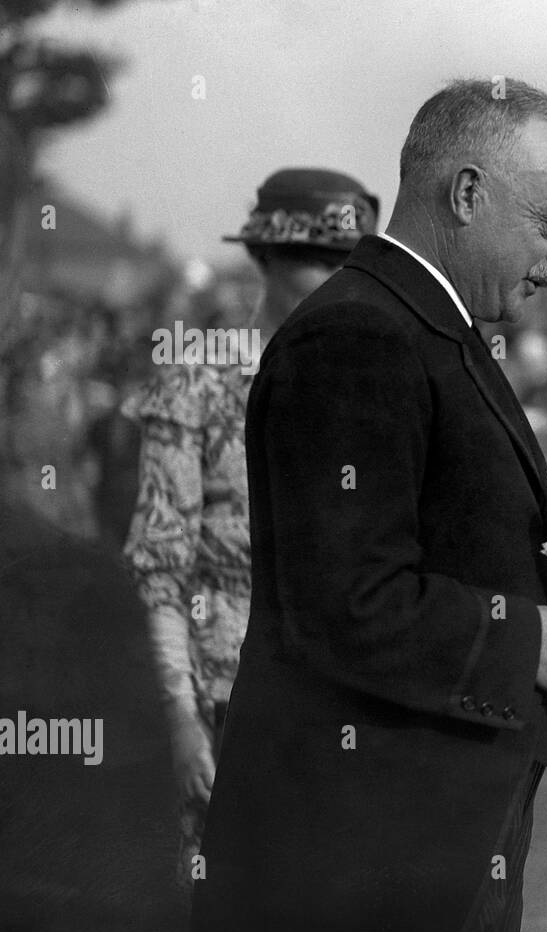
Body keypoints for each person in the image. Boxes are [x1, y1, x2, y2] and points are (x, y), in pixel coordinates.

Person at [190, 78, 547, 932]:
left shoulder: (423, 325)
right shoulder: (359, 335)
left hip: (417, 852)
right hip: (357, 872)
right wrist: (530, 638)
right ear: (467, 195)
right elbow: (342, 598)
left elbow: (426, 539)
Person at [121, 168, 379, 890]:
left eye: (349, 262)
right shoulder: (198, 381)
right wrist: (176, 712)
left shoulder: (371, 384)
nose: (335, 278)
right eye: (318, 260)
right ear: (264, 258)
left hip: (344, 702)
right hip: (225, 698)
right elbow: (159, 568)